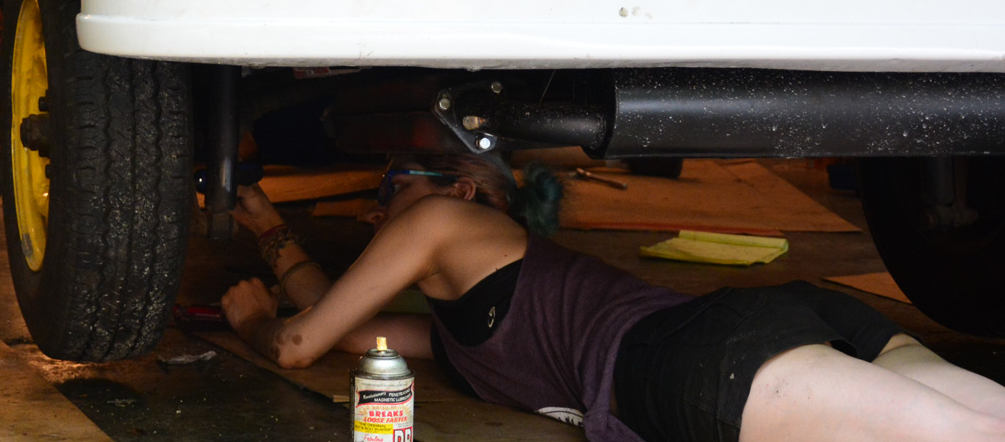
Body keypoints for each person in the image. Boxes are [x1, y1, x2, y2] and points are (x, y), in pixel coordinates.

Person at [221, 151, 1005, 442]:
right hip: (756, 332)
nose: (373, 211)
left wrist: (259, 324)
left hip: (690, 367)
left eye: (388, 188)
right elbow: (348, 328)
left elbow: (301, 341)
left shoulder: (442, 219)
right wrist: (270, 232)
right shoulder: (468, 327)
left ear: (459, 187)